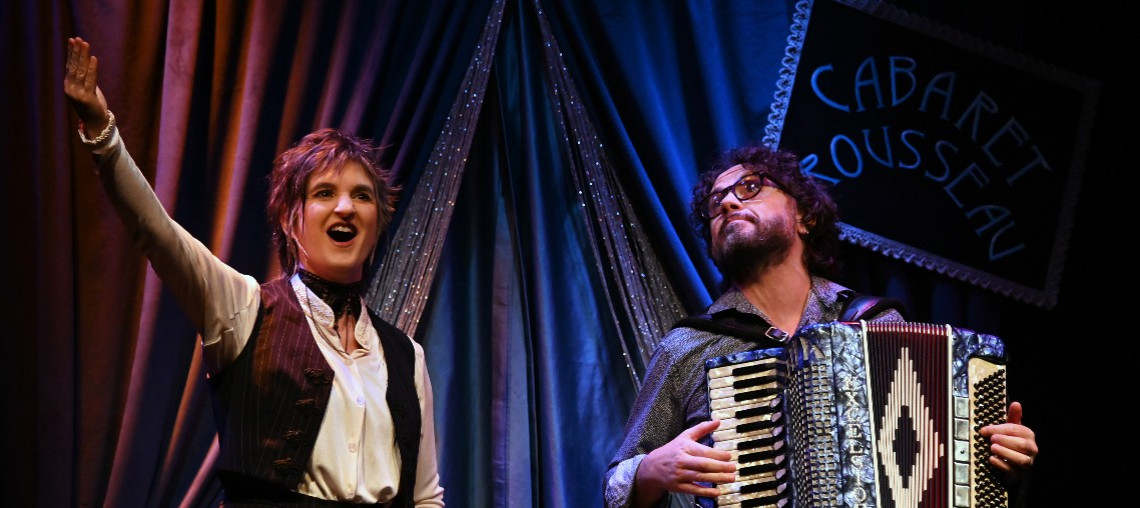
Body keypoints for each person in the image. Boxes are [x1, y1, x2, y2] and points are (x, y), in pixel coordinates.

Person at [64, 37, 444, 506]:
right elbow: (158, 233)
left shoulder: (406, 356)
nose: (346, 207)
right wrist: (104, 136)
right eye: (324, 193)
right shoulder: (245, 309)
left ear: (377, 223)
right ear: (290, 219)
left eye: (361, 196)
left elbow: (426, 496)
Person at [603, 143, 1038, 507]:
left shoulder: (878, 324)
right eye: (714, 206)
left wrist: (1000, 458)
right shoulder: (687, 346)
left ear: (805, 217)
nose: (729, 203)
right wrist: (649, 470)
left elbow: (953, 475)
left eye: (750, 188)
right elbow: (614, 487)